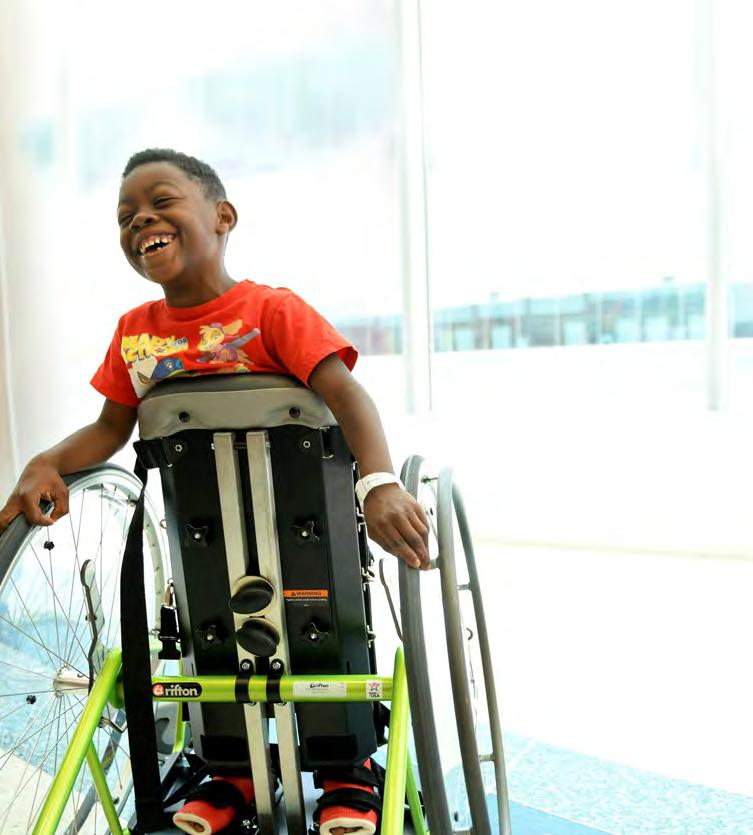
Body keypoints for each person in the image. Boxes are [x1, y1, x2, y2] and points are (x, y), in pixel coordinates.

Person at [0, 149, 430, 835]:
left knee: (319, 633)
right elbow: (110, 428)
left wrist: (378, 484)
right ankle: (230, 772)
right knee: (212, 639)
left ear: (222, 216)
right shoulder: (136, 333)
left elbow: (347, 396)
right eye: (125, 216)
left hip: (304, 515)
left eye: (161, 201)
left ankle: (348, 771)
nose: (140, 220)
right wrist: (44, 460)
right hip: (202, 524)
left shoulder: (273, 309)